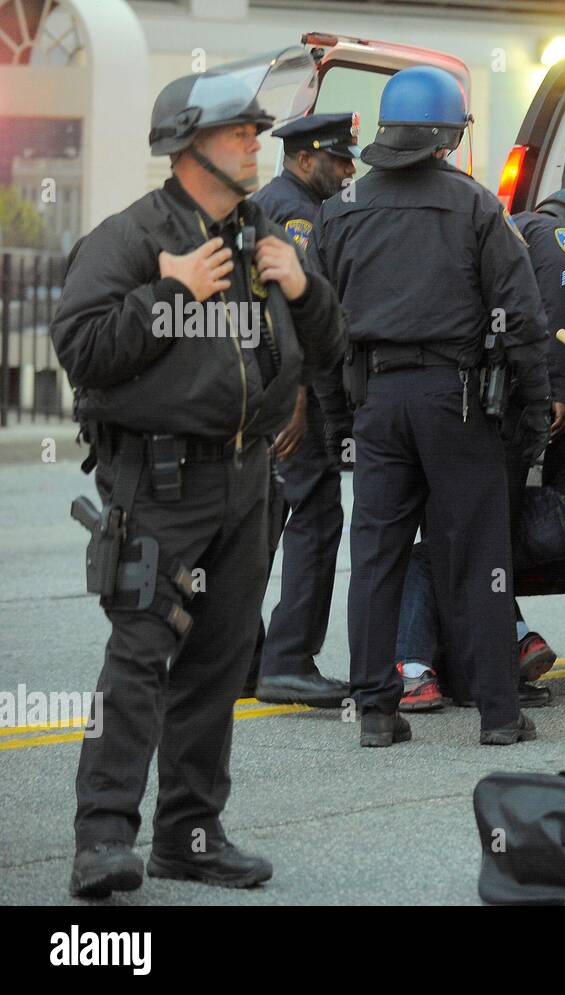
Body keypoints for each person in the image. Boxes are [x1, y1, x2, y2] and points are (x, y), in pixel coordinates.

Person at [54, 66, 345, 898]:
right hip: (160, 483)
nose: (256, 143)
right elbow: (81, 348)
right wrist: (166, 290)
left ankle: (189, 832)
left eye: (255, 132)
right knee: (140, 656)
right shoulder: (133, 237)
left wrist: (305, 286)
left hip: (247, 478)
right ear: (190, 147)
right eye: (239, 133)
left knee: (220, 661)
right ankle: (103, 838)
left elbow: (329, 346)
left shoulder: (264, 234)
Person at [309, 66, 551, 747]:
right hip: (459, 402)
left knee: (376, 556)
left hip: (376, 402)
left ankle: (376, 712)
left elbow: (320, 336)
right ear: (449, 134)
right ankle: (500, 714)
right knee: (480, 555)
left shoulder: (339, 208)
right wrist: (529, 425)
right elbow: (524, 322)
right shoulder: (476, 207)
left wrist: (339, 424)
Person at [395, 188, 565, 711]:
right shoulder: (555, 236)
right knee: (474, 542)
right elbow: (562, 325)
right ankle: (497, 652)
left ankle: (460, 662)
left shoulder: (501, 232)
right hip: (513, 421)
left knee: (455, 544)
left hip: (455, 408)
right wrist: (559, 392)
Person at [245, 112, 360, 707]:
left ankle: (243, 657)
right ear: (305, 156)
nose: (348, 171)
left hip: (258, 393)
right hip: (290, 396)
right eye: (339, 159)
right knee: (315, 518)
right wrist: (295, 397)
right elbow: (289, 308)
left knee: (257, 525)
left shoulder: (266, 202)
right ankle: (288, 662)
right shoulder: (293, 214)